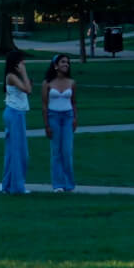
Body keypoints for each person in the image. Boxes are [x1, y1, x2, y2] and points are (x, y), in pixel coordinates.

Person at [0, 48, 32, 194]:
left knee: (14, 151)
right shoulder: (11, 76)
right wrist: (24, 73)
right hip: (15, 113)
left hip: (16, 113)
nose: (24, 62)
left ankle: (9, 185)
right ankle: (17, 187)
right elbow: (28, 90)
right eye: (22, 60)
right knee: (19, 152)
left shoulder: (13, 76)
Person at [42, 54, 77, 192]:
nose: (66, 64)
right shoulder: (47, 83)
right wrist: (46, 125)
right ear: (55, 65)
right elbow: (44, 105)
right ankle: (58, 185)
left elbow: (74, 102)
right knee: (56, 152)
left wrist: (75, 118)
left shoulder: (72, 82)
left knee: (67, 151)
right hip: (53, 117)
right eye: (63, 62)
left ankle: (69, 184)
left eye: (68, 62)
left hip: (68, 117)